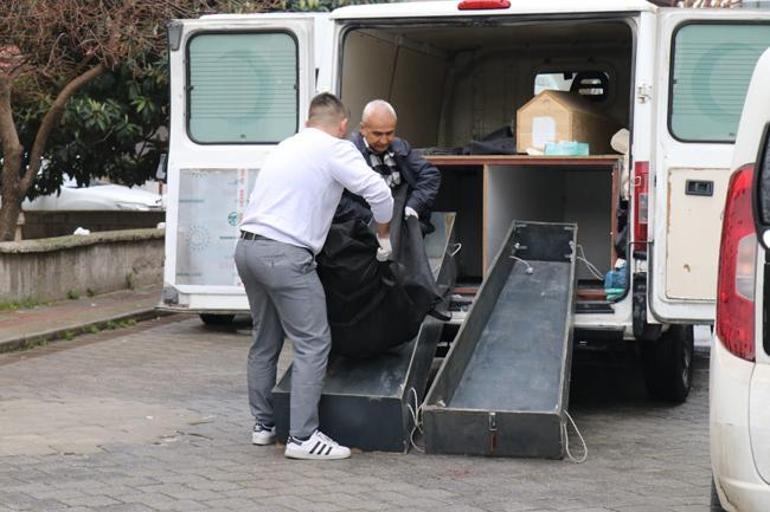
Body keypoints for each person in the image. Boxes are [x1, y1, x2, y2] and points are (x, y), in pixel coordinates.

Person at [234, 93, 393, 460]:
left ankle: (263, 426)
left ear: (308, 120)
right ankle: (303, 438)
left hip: (247, 248)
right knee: (314, 342)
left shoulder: (285, 146)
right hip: (285, 255)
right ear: (342, 126)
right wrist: (383, 235)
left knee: (265, 340)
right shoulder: (335, 149)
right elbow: (379, 192)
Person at [335, 99, 441, 233]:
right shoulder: (347, 153)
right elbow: (337, 199)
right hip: (362, 225)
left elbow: (430, 175)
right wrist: (371, 218)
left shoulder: (400, 146)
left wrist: (414, 206)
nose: (384, 140)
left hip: (400, 216)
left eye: (389, 133)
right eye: (377, 134)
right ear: (362, 129)